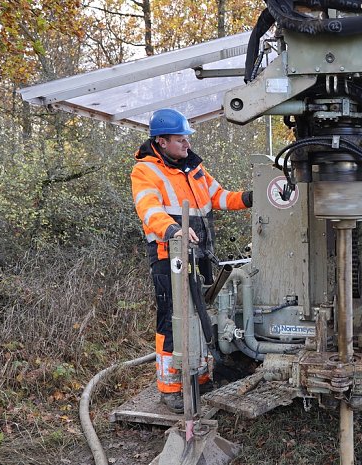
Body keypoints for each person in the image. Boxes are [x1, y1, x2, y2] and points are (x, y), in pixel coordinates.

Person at [130, 108, 252, 413]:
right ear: (161, 142)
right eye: (180, 139)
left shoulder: (195, 169)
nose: (186, 144)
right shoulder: (146, 171)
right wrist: (172, 229)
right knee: (173, 320)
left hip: (199, 256)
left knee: (199, 316)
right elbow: (148, 209)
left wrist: (250, 197)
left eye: (187, 138)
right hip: (168, 258)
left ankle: (197, 375)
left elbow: (220, 197)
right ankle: (170, 388)